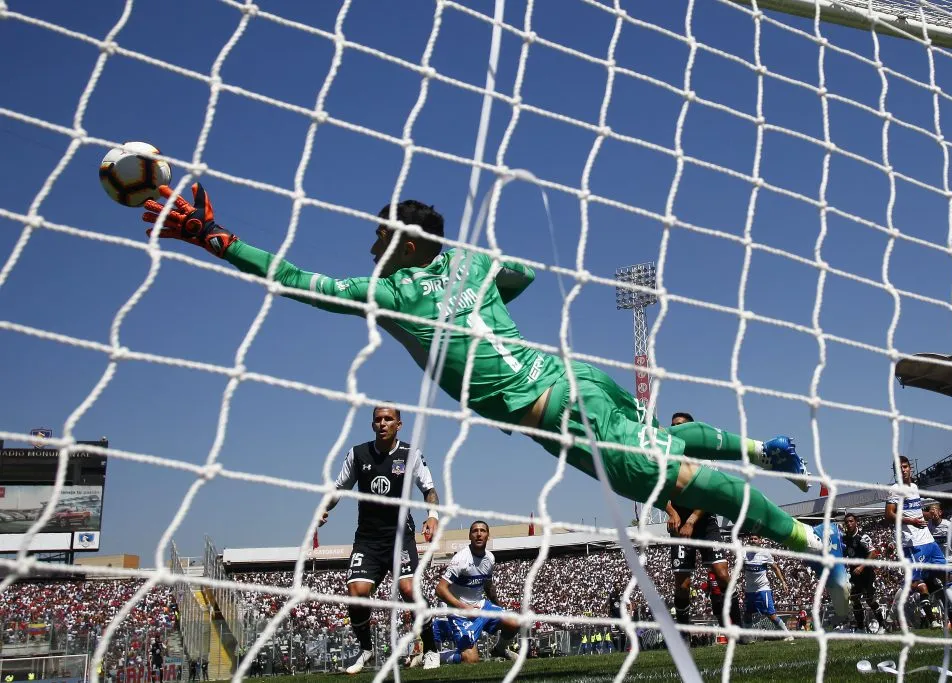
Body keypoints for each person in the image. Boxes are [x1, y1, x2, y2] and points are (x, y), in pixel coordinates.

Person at [139, 185, 824, 555]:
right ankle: (765, 447)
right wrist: (483, 302)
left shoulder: (392, 294)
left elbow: (297, 279)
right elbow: (522, 274)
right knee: (663, 446)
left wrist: (213, 237)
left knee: (668, 481)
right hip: (565, 381)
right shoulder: (471, 259)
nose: (371, 245)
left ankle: (808, 538)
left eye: (379, 235)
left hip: (553, 405)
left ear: (406, 240)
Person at [319, 405, 441, 674]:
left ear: (399, 424)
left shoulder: (410, 454)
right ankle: (366, 650)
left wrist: (432, 515)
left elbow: (429, 489)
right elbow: (340, 487)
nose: (383, 423)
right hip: (368, 540)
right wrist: (325, 507)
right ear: (373, 425)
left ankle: (431, 647)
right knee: (357, 594)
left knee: (410, 590)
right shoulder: (358, 453)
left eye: (388, 419)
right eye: (378, 419)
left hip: (400, 537)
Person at [665, 411, 743, 643]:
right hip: (680, 521)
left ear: (691, 430)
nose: (675, 429)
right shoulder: (666, 455)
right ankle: (684, 635)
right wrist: (671, 513)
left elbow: (710, 494)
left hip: (705, 520)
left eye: (680, 426)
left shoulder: (706, 459)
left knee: (721, 575)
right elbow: (659, 488)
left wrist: (691, 520)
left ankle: (736, 628)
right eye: (673, 425)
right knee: (682, 584)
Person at [422, 521, 519, 669]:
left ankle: (499, 650)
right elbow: (440, 589)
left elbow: (488, 585)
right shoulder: (460, 559)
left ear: (488, 536)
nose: (479, 534)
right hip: (460, 613)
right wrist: (464, 607)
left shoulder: (490, 558)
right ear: (470, 536)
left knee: (514, 621)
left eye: (483, 531)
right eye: (475, 531)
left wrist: (498, 607)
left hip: (481, 607)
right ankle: (436, 655)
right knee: (471, 659)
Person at [885, 456, 945, 628]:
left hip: (928, 539)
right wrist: (912, 522)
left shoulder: (914, 487)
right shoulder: (895, 489)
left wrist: (929, 515)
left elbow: (916, 512)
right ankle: (895, 618)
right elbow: (889, 515)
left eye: (905, 466)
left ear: (910, 468)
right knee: (915, 584)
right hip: (912, 543)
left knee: (945, 573)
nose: (903, 470)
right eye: (899, 467)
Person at [742, 536, 794, 640]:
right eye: (751, 539)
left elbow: (775, 568)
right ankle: (748, 638)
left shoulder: (765, 553)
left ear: (760, 541)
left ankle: (787, 635)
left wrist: (783, 582)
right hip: (749, 590)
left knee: (771, 615)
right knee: (747, 614)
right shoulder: (744, 553)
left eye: (755, 539)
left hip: (762, 589)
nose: (753, 540)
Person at [843, 512, 883, 632]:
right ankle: (860, 628)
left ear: (856, 522)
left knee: (870, 600)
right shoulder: (845, 538)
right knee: (854, 599)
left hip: (866, 573)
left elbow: (873, 553)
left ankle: (882, 625)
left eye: (851, 521)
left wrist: (861, 566)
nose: (849, 524)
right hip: (854, 574)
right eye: (847, 522)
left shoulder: (863, 537)